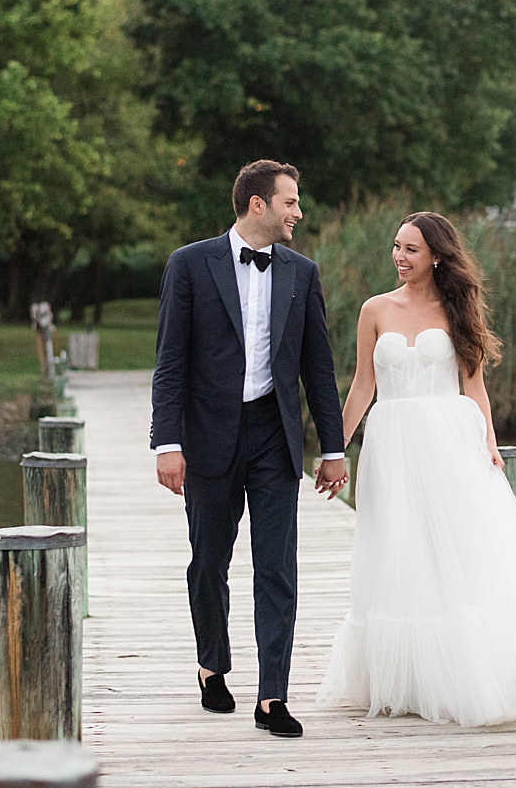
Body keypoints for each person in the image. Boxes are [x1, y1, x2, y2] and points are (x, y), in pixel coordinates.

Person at [317, 211, 516, 726]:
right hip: (390, 443)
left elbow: (474, 385)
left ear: (436, 255)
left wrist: (490, 444)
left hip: (447, 441)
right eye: (396, 246)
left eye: (411, 249)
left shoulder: (457, 309)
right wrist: (333, 451)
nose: (399, 257)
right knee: (396, 548)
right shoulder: (374, 310)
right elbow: (363, 385)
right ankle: (406, 680)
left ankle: (467, 674)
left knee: (457, 550)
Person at [150, 159, 350, 738]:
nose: (299, 212)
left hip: (273, 434)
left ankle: (273, 697)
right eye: (291, 202)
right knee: (209, 560)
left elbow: (318, 368)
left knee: (277, 566)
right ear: (258, 205)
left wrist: (332, 448)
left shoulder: (301, 272)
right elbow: (170, 363)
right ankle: (212, 666)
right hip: (208, 433)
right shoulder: (189, 264)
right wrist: (168, 442)